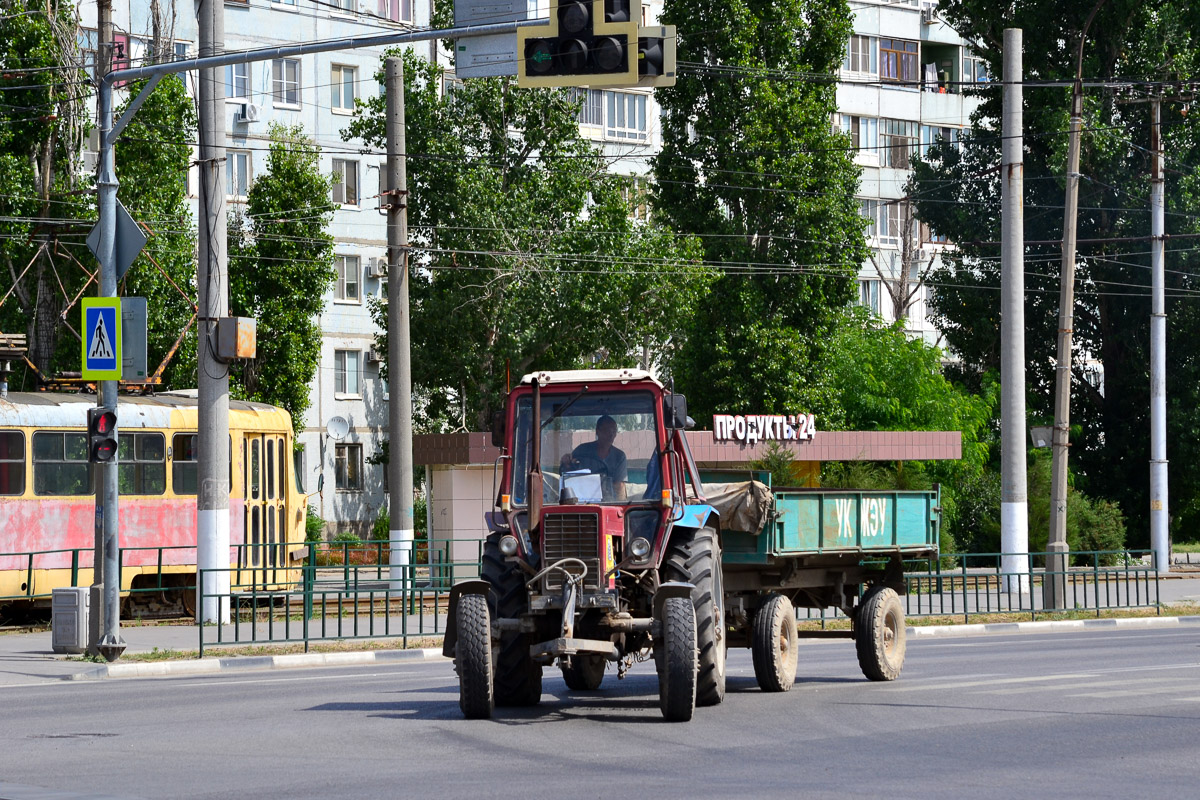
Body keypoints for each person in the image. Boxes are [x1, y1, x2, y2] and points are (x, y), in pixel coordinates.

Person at [561, 415, 627, 500]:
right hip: (582, 502)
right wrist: (565, 463)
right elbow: (568, 475)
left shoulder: (619, 456)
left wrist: (620, 509)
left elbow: (619, 487)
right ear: (597, 431)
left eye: (614, 431)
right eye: (607, 430)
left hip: (608, 503)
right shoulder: (582, 450)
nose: (611, 434)